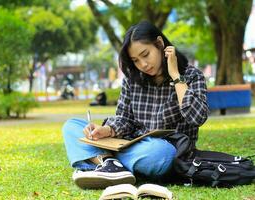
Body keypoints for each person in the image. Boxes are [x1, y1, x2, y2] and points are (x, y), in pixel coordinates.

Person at [62, 21, 209, 189]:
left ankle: (104, 162)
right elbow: (124, 119)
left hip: (164, 152)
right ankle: (109, 163)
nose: (143, 64)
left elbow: (197, 117)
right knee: (71, 126)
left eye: (145, 54)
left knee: (161, 153)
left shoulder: (191, 76)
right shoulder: (133, 79)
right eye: (136, 60)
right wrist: (107, 130)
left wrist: (175, 76)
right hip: (129, 144)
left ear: (160, 44)